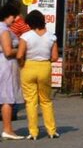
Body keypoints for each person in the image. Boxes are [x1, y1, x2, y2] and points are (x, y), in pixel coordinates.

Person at [17, 9, 59, 140]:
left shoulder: (26, 36)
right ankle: (51, 130)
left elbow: (19, 55)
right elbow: (55, 57)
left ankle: (33, 132)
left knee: (31, 101)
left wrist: (22, 63)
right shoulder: (51, 36)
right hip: (44, 67)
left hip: (28, 66)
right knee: (46, 100)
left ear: (29, 23)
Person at [0, 2, 22, 139]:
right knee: (7, 97)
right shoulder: (4, 30)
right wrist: (20, 50)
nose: (14, 20)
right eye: (13, 17)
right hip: (5, 65)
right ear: (8, 16)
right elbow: (8, 51)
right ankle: (7, 129)